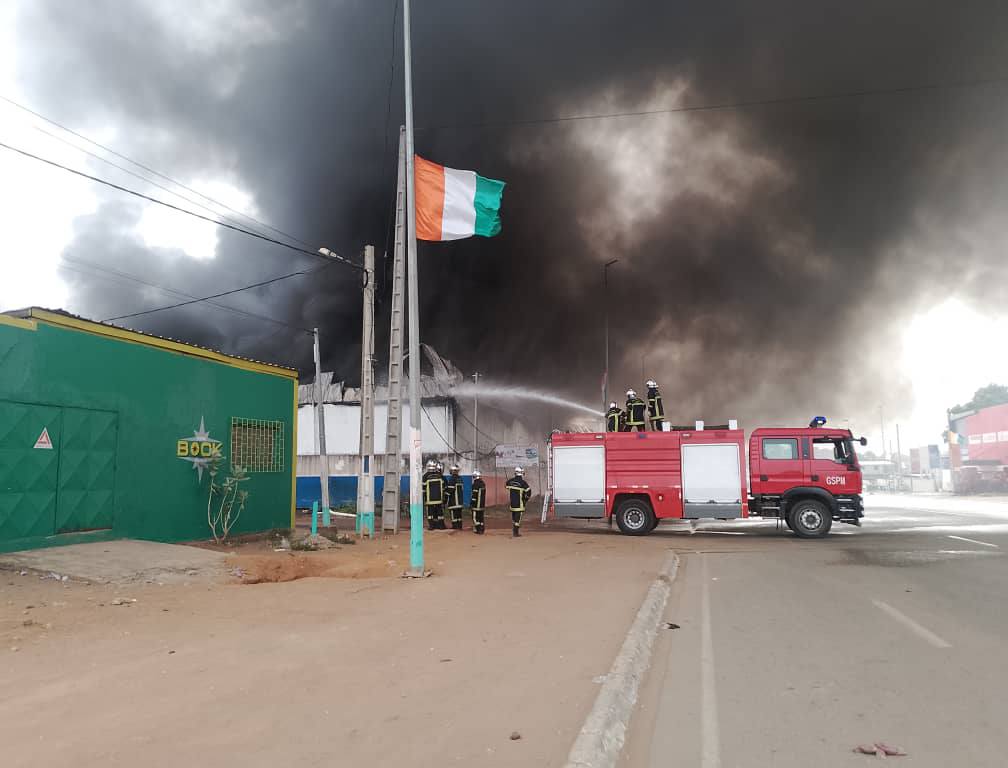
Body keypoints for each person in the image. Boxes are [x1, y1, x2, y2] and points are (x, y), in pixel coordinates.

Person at [505, 466, 532, 538]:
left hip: (512, 504)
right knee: (518, 519)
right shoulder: (523, 483)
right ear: (522, 473)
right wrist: (525, 499)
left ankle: (514, 531)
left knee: (514, 518)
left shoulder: (510, 481)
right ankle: (515, 532)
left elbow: (506, 485)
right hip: (520, 504)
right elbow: (529, 492)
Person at [422, 460, 446, 530]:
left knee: (430, 514)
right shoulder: (439, 476)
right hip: (439, 499)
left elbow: (423, 489)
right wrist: (443, 498)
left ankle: (432, 526)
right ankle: (441, 526)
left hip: (429, 500)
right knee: (439, 513)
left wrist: (424, 498)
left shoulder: (425, 476)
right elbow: (443, 487)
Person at [446, 464, 464, 530]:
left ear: (452, 471)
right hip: (460, 501)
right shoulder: (460, 479)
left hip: (454, 501)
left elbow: (450, 490)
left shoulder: (452, 479)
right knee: (459, 515)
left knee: (454, 514)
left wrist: (445, 495)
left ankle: (455, 526)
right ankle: (459, 526)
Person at [470, 469, 487, 534]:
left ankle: (478, 529)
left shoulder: (475, 484)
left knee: (475, 517)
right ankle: (482, 529)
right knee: (481, 518)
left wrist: (472, 503)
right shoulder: (483, 483)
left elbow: (474, 495)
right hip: (482, 504)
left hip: (476, 505)